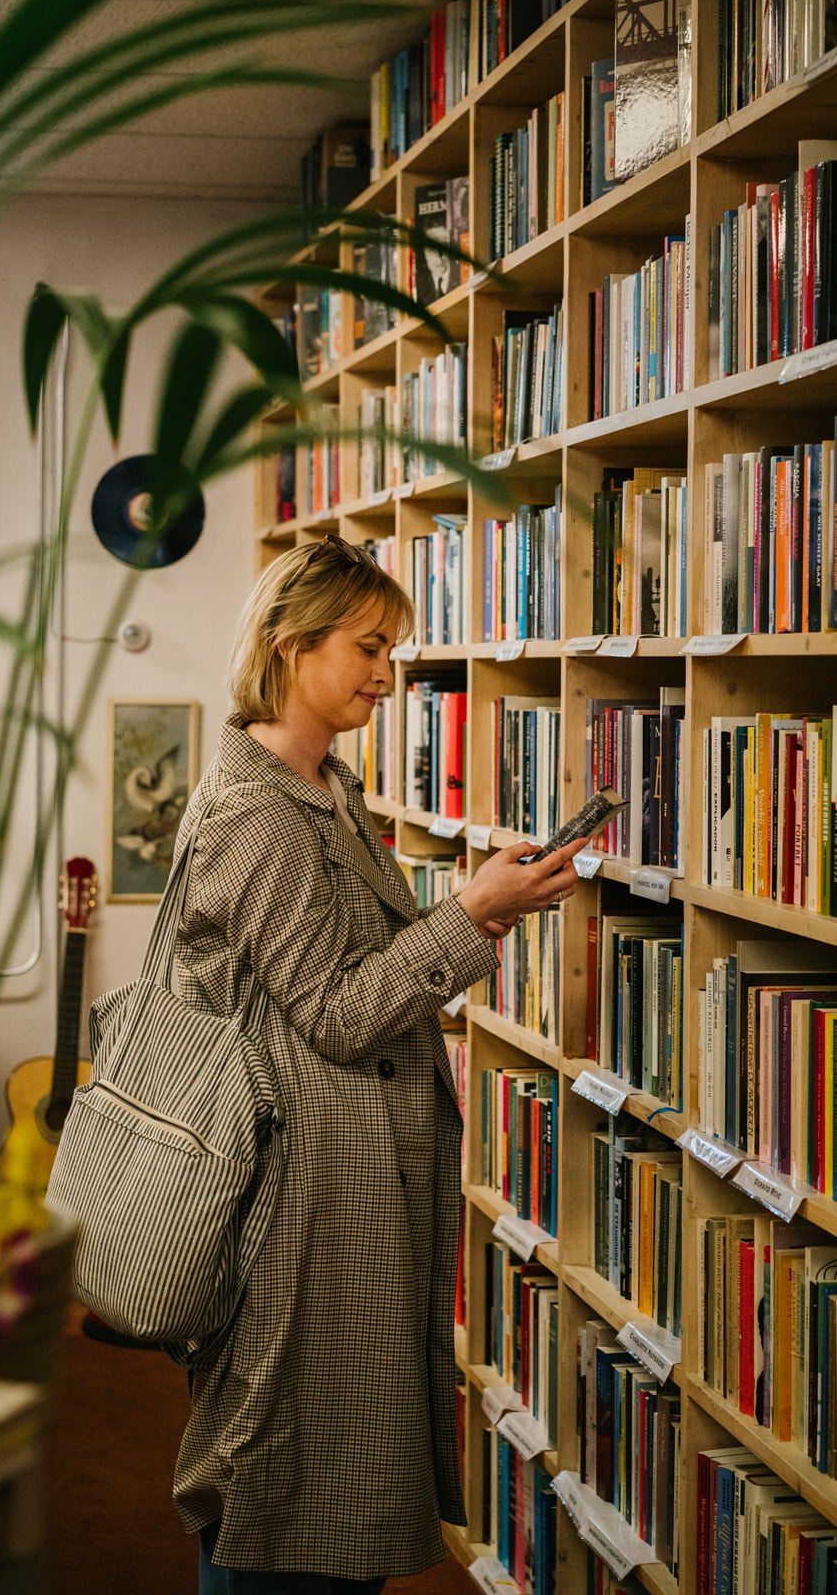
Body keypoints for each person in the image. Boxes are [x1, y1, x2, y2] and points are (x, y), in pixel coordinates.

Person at [171, 536, 585, 1593]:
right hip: (295, 1201)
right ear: (289, 642)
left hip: (341, 1184)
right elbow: (339, 1010)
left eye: (390, 650)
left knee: (327, 1481)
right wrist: (473, 911)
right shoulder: (259, 811)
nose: (383, 673)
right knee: (281, 1481)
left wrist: (465, 909)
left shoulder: (323, 788)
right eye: (366, 646)